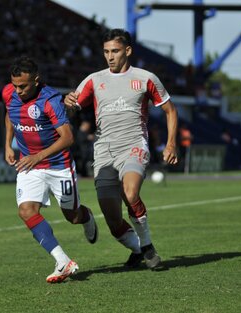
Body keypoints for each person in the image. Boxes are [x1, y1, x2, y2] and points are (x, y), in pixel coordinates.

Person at [64, 29, 178, 269]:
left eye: (115, 51)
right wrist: (68, 103)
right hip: (104, 151)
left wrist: (170, 143)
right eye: (106, 52)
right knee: (112, 219)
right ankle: (137, 249)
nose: (110, 56)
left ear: (128, 51)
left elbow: (170, 110)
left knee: (130, 193)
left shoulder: (146, 78)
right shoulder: (94, 79)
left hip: (134, 145)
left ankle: (147, 247)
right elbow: (73, 106)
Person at [2, 57, 98, 283]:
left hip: (58, 166)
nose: (18, 91)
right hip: (30, 166)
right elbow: (9, 114)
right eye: (15, 85)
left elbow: (68, 138)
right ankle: (62, 261)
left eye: (23, 86)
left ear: (36, 80)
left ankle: (88, 217)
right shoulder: (9, 93)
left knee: (72, 217)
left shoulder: (51, 101)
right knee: (26, 211)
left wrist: (38, 156)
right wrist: (8, 144)